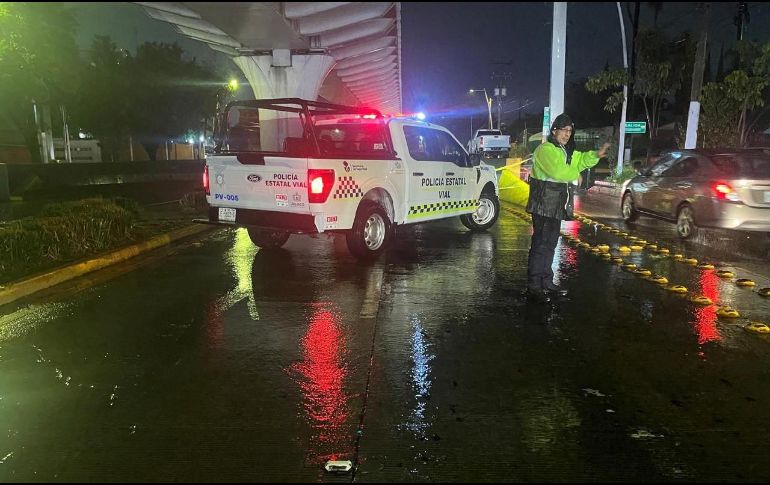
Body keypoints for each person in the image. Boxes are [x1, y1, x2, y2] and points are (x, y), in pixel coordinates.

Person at [525, 113, 610, 303]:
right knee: (541, 245)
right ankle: (534, 285)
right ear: (554, 130)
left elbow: (580, 160)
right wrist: (576, 175)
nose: (567, 134)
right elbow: (558, 171)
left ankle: (546, 281)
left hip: (555, 205)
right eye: (563, 130)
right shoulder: (545, 150)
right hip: (543, 205)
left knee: (550, 245)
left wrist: (595, 155)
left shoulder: (565, 150)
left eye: (570, 131)